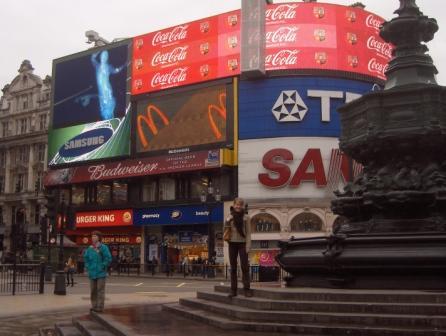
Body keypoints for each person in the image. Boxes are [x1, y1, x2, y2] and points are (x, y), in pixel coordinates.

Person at [223, 197, 252, 298]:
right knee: (233, 268)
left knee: (244, 267)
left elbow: (248, 233)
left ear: (242, 206)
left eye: (240, 205)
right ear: (234, 205)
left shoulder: (246, 217)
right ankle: (233, 290)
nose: (238, 206)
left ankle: (247, 289)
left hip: (243, 244)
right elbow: (225, 230)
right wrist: (227, 221)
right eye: (236, 204)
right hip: (232, 244)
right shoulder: (230, 216)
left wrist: (248, 246)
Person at [83, 231, 112, 313]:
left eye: (95, 236)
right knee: (93, 290)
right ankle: (94, 305)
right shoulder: (89, 248)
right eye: (92, 236)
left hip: (101, 273)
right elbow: (86, 258)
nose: (93, 237)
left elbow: (108, 258)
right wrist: (88, 267)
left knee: (100, 290)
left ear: (99, 237)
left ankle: (100, 307)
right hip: (92, 273)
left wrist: (103, 266)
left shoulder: (103, 247)